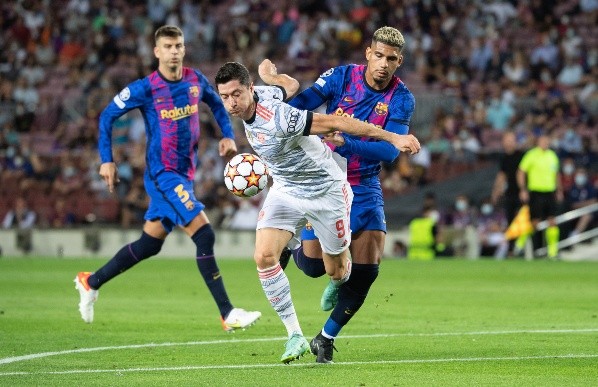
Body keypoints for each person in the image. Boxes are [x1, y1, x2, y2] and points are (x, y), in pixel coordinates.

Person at [214, 59, 420, 363]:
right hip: (285, 189)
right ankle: (294, 336)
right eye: (225, 97)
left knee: (337, 270)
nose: (232, 103)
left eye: (236, 94)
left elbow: (338, 122)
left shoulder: (281, 119)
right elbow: (291, 86)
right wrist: (270, 75)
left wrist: (393, 137)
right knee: (263, 257)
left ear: (250, 90)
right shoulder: (267, 95)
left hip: (325, 191)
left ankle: (338, 282)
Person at [74, 25, 261, 332]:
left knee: (149, 244)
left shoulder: (194, 80)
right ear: (157, 51)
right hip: (163, 174)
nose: (175, 51)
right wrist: (107, 160)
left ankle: (90, 281)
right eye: (168, 46)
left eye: (179, 46)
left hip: (184, 174)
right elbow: (107, 115)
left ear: (184, 49)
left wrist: (228, 135)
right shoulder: (144, 89)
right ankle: (227, 313)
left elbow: (215, 102)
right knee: (205, 234)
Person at [286, 26, 416, 363]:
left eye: (391, 58)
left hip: (364, 185)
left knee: (368, 269)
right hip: (324, 183)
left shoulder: (401, 98)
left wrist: (347, 141)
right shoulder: (341, 78)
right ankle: (293, 244)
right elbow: (302, 105)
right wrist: (279, 98)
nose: (383, 64)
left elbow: (389, 153)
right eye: (379, 55)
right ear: (368, 54)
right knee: (314, 268)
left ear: (398, 61)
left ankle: (325, 338)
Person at [516, 134, 563, 259]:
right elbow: (521, 171)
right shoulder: (531, 155)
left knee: (552, 221)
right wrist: (523, 189)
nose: (545, 143)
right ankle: (520, 246)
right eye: (543, 141)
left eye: (547, 141)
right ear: (538, 142)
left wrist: (559, 190)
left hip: (549, 192)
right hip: (536, 192)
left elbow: (556, 174)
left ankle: (553, 252)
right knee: (534, 222)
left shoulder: (552, 156)